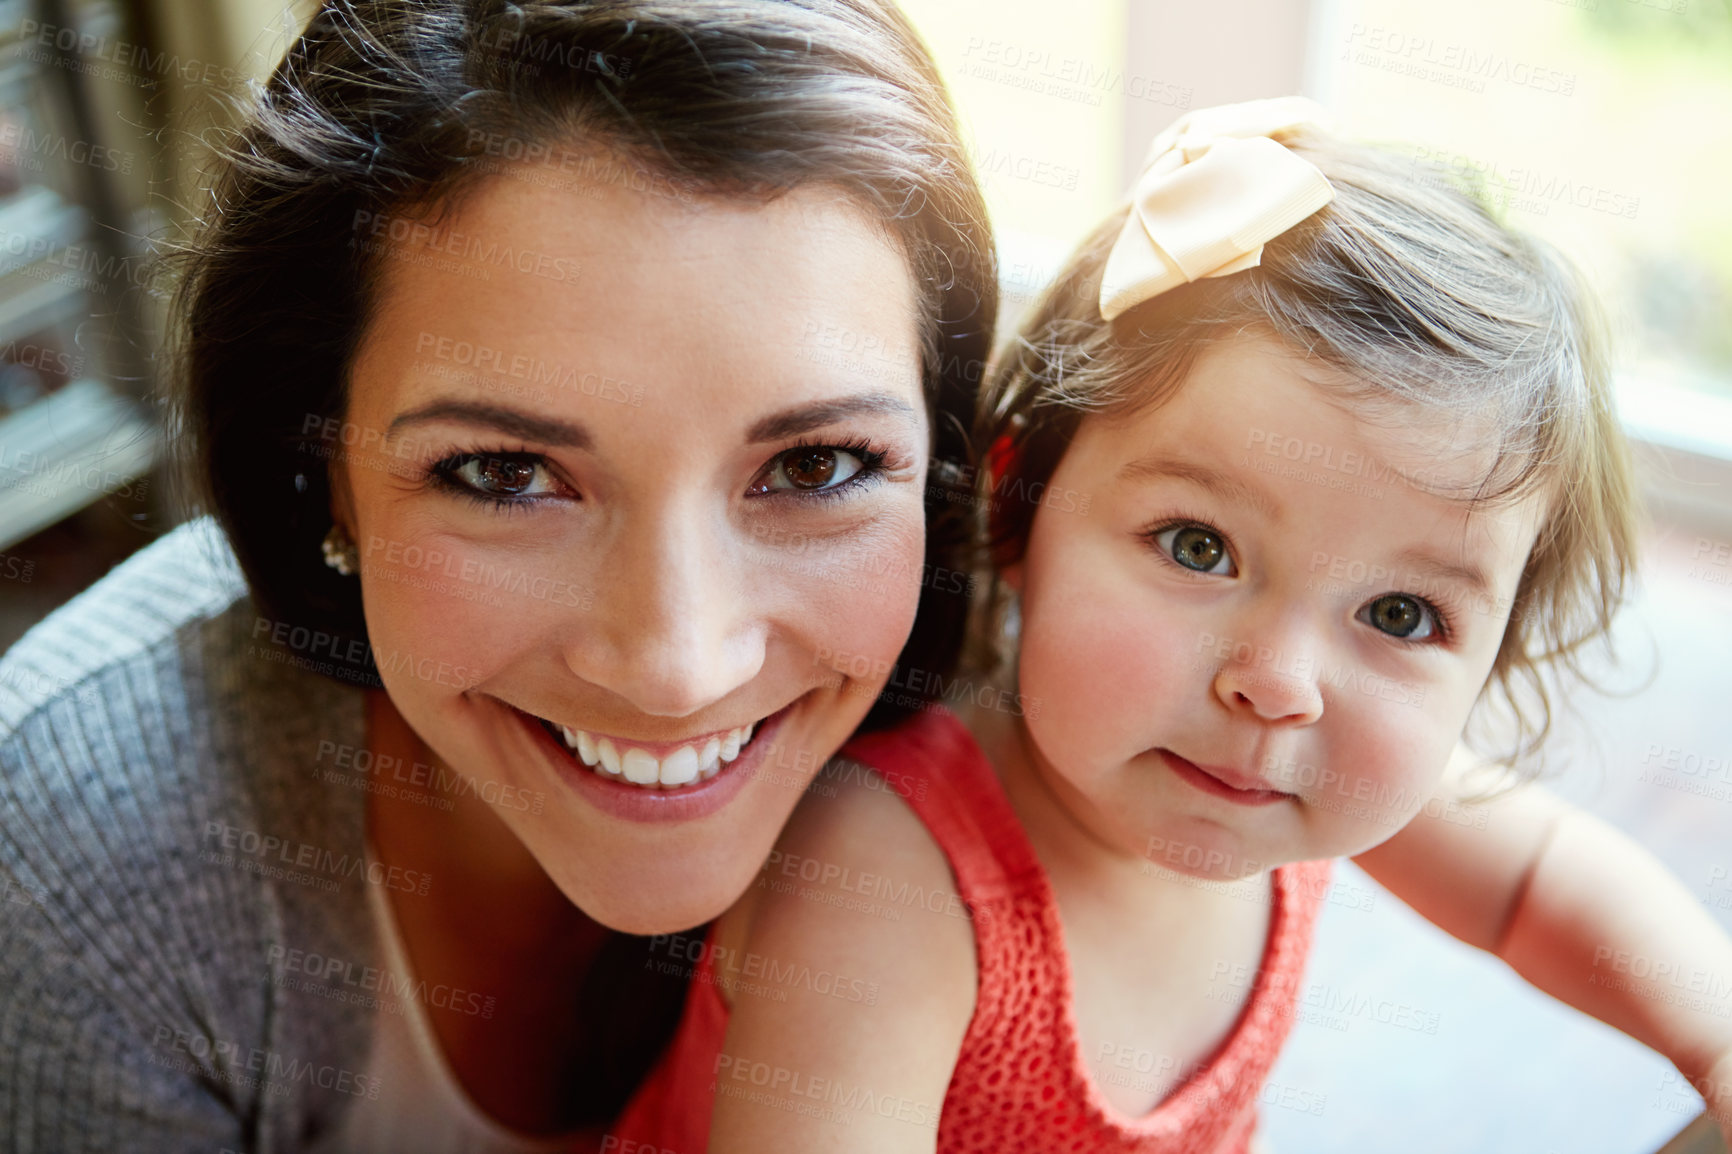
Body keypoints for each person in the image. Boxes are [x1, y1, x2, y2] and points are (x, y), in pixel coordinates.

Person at [617, 98, 1732, 1152]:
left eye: (1400, 613)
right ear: (1019, 506)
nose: (1281, 680)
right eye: (1199, 545)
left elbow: (1536, 879)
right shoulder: (888, 877)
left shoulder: (1288, 769)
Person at [0, 1, 996, 1149]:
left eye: (815, 465)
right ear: (318, 469)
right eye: (505, 472)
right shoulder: (85, 858)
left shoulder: (1065, 720)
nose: (674, 664)